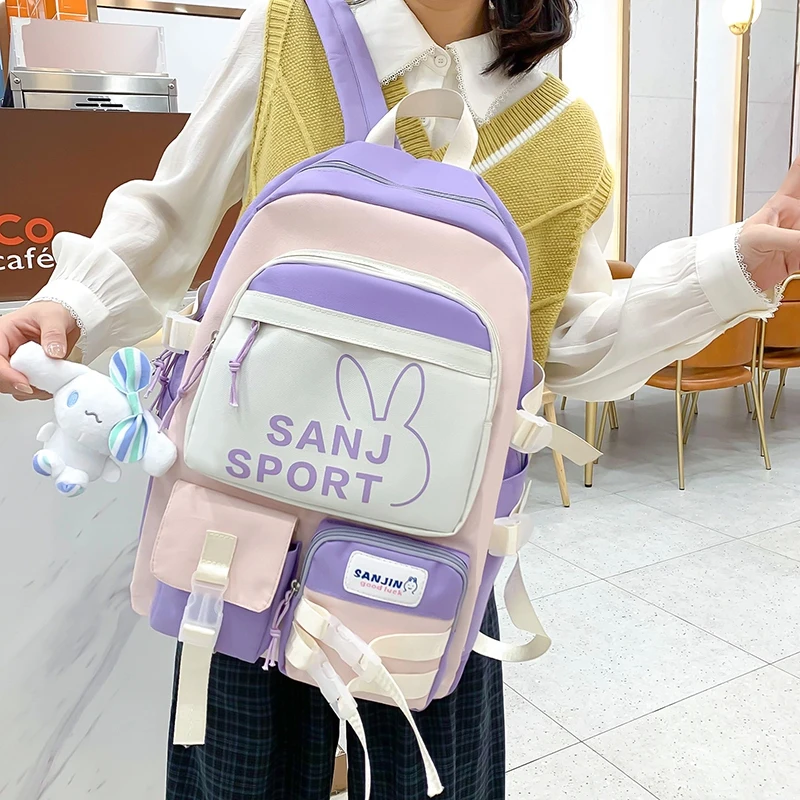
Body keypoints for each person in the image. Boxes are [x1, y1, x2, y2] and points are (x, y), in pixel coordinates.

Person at [1, 0, 799, 797]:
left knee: (424, 778)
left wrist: (732, 269)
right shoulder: (288, 31)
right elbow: (174, 208)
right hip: (246, 523)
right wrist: (72, 304)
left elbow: (560, 346)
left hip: (428, 548)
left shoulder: (565, 137)